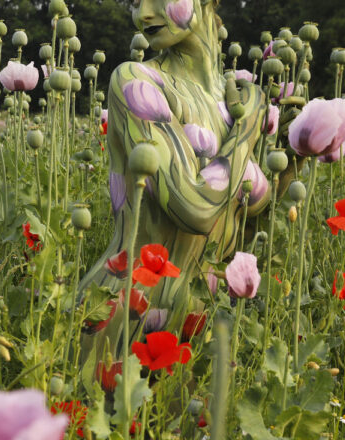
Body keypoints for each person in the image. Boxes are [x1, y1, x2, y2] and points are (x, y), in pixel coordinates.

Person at [79, 0, 284, 382]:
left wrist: (292, 151)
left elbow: (244, 229)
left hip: (202, 331)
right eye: (137, 3)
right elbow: (195, 210)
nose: (144, 15)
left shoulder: (230, 102)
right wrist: (247, 130)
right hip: (130, 322)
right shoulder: (137, 82)